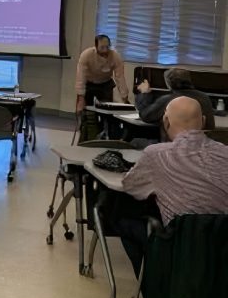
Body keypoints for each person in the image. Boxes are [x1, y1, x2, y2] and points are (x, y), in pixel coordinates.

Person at [118, 97, 228, 274]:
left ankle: (152, 285)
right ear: (204, 122)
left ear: (166, 122)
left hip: (180, 246)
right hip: (222, 247)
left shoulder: (156, 155)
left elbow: (129, 186)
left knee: (124, 221)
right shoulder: (225, 153)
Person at [136, 68, 215, 131]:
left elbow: (145, 116)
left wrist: (145, 93)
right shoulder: (204, 97)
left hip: (174, 143)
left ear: (169, 84)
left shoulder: (169, 100)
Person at [75, 34, 130, 111]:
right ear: (96, 46)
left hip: (105, 84)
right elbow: (81, 77)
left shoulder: (115, 56)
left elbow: (120, 77)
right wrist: (81, 99)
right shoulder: (86, 55)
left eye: (107, 47)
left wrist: (125, 97)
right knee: (84, 111)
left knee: (106, 111)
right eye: (102, 47)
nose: (105, 50)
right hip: (89, 83)